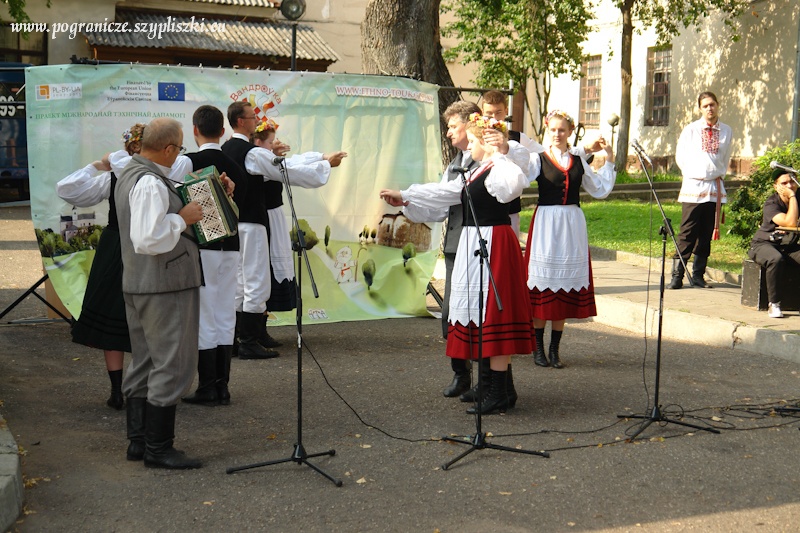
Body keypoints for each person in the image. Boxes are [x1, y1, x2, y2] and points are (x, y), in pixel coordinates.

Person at [381, 113, 534, 414]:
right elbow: (447, 192)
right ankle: (496, 388)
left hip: (494, 242)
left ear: (485, 143)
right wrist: (406, 196)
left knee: (492, 315)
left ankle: (498, 391)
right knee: (480, 313)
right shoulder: (476, 172)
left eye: (474, 142)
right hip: (477, 242)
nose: (470, 148)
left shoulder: (497, 167)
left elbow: (513, 187)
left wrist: (501, 153)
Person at [221, 101, 346, 359]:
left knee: (240, 281)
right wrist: (325, 166)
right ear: (241, 122)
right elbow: (288, 170)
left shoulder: (227, 149)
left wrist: (320, 158)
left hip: (234, 223)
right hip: (252, 223)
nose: (256, 120)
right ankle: (249, 340)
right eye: (252, 117)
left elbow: (283, 162)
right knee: (256, 280)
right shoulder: (252, 153)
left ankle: (235, 338)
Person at [114, 117, 204, 469]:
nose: (179, 153)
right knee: (173, 362)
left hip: (140, 283)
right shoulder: (149, 182)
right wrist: (183, 218)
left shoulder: (131, 172)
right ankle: (158, 448)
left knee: (146, 361)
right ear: (168, 149)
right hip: (165, 284)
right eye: (179, 148)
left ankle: (139, 442)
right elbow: (149, 239)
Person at [56, 124, 144, 410]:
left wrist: (98, 164)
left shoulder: (116, 174)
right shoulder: (160, 173)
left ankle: (120, 391)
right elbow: (66, 190)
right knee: (140, 317)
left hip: (119, 246)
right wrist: (100, 165)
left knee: (115, 318)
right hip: (139, 247)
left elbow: (68, 190)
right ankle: (134, 390)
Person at [525, 110, 615, 369]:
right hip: (545, 225)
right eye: (552, 129)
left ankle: (555, 350)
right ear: (547, 130)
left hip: (571, 226)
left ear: (570, 132)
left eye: (561, 130)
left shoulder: (578, 160)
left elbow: (598, 189)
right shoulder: (538, 159)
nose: (556, 134)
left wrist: (608, 160)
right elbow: (518, 179)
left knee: (563, 289)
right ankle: (538, 349)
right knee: (543, 288)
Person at [170, 105, 247, 406]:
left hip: (203, 246)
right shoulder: (234, 163)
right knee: (225, 311)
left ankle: (207, 387)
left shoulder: (187, 162)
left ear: (195, 130)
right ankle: (222, 386)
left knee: (205, 314)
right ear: (223, 130)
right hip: (231, 243)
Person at [670, 91, 734, 290]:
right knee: (687, 232)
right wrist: (696, 173)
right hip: (694, 186)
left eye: (712, 104)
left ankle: (698, 275)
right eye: (705, 105)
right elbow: (681, 156)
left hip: (714, 187)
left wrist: (716, 174)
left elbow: (725, 157)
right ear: (700, 108)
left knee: (706, 233)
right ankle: (677, 275)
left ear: (718, 105)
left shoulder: (726, 130)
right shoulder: (691, 130)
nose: (709, 108)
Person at [747, 168, 800, 319]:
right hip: (764, 244)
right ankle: (774, 304)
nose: (789, 186)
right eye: (784, 183)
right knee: (775, 259)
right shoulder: (771, 203)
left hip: (788, 246)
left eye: (792, 181)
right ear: (775, 186)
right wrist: (793, 198)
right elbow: (790, 223)